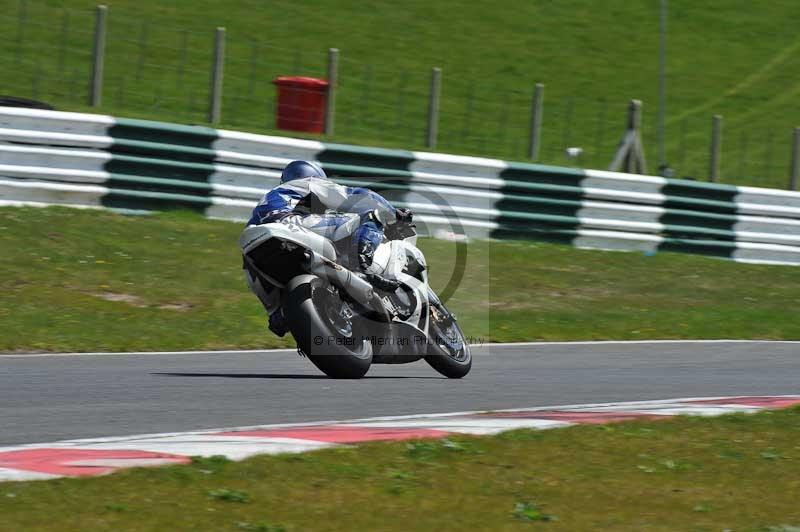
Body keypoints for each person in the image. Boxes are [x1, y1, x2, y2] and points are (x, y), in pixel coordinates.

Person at [244, 160, 412, 337]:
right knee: (371, 216)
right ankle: (363, 266)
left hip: (254, 249)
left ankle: (283, 314)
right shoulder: (307, 182)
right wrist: (394, 213)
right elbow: (355, 196)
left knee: (275, 311)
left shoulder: (268, 200)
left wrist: (275, 311)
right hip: (291, 224)